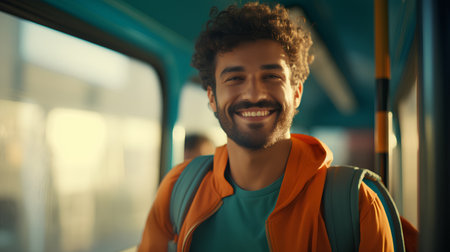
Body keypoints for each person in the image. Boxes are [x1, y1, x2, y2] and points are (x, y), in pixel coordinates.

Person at [138, 2, 393, 251]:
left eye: (271, 76)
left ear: (296, 93)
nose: (254, 93)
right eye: (235, 78)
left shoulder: (358, 205)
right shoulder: (177, 191)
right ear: (212, 98)